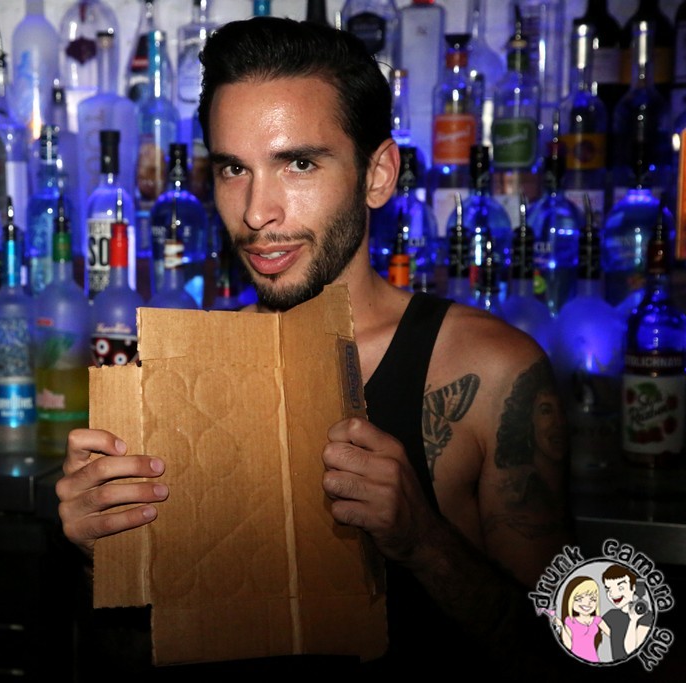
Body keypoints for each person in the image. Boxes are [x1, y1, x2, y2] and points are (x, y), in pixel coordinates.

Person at [56, 16, 574, 678]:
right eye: (233, 168)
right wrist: (102, 548)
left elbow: (572, 652)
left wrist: (424, 540)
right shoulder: (189, 370)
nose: (256, 211)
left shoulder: (493, 371)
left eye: (298, 163)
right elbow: (155, 646)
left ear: (377, 174)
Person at [602, 565, 654, 661]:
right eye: (608, 589)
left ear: (633, 587)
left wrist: (633, 620)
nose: (613, 594)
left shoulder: (646, 616)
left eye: (621, 588)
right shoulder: (611, 615)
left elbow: (631, 650)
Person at [553, 576, 610, 662]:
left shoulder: (597, 620)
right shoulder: (570, 621)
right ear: (570, 600)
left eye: (593, 599)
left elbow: (613, 635)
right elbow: (568, 645)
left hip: (593, 659)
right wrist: (560, 626)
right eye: (579, 599)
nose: (587, 603)